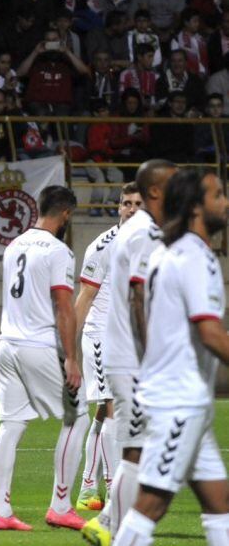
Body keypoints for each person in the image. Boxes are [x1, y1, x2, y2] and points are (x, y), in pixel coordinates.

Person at [114, 169, 229, 546]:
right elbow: (210, 333)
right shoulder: (196, 257)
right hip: (178, 401)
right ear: (197, 207)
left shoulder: (167, 251)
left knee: (219, 501)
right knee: (151, 505)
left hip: (183, 397)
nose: (225, 203)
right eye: (219, 196)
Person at [81, 159, 178, 545]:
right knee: (124, 429)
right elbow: (128, 296)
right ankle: (108, 508)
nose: (130, 209)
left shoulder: (141, 232)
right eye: (126, 203)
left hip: (124, 347)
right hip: (117, 345)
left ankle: (107, 509)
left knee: (130, 434)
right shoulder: (134, 236)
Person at [0, 185, 89, 532]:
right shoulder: (58, 251)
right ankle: (61, 505)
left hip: (7, 344)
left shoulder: (13, 245)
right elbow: (63, 306)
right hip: (37, 345)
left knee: (11, 426)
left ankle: (1, 511)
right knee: (78, 417)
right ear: (65, 214)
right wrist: (72, 359)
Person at [74, 184, 142, 512]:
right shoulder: (104, 245)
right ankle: (114, 487)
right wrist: (70, 349)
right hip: (101, 336)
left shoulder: (149, 242)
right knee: (114, 409)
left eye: (137, 203)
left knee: (104, 413)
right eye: (125, 203)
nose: (130, 209)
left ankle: (89, 486)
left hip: (126, 338)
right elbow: (84, 297)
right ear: (117, 208)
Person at [17, 29, 90, 116]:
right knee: (42, 113)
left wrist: (67, 51)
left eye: (54, 40)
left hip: (62, 104)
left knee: (62, 115)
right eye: (48, 40)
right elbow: (19, 73)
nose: (51, 43)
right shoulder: (36, 60)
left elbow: (85, 71)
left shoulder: (67, 61)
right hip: (38, 103)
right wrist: (35, 52)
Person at [85, 99, 125, 214]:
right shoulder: (92, 128)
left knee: (118, 175)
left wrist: (109, 158)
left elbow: (111, 146)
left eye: (107, 110)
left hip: (106, 160)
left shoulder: (110, 126)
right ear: (95, 114)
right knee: (99, 178)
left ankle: (111, 202)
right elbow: (93, 149)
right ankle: (95, 205)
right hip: (91, 160)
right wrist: (100, 162)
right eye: (102, 111)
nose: (106, 113)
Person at [150, 91, 195, 163]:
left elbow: (190, 148)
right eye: (177, 102)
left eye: (183, 102)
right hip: (163, 159)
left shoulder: (188, 123)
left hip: (183, 159)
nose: (180, 105)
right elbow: (158, 146)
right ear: (170, 103)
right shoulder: (160, 121)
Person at [170, 8, 208, 76]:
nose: (197, 24)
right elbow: (175, 63)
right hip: (187, 77)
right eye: (195, 21)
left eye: (198, 21)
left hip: (204, 75)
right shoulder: (177, 40)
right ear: (186, 23)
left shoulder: (201, 39)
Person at [119, 44, 157, 110]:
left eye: (153, 57)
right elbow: (121, 97)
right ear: (139, 57)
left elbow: (153, 99)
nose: (152, 60)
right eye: (149, 56)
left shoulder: (152, 76)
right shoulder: (126, 74)